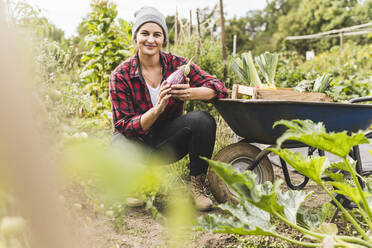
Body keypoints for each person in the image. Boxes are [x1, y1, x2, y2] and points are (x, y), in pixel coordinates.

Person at [109, 6, 228, 211]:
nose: (150, 40)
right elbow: (124, 125)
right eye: (144, 33)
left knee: (202, 120)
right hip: (136, 146)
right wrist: (156, 110)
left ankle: (197, 187)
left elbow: (219, 88)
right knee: (119, 138)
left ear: (163, 38)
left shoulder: (177, 66)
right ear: (135, 36)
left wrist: (191, 93)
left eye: (157, 34)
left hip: (168, 144)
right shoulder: (121, 75)